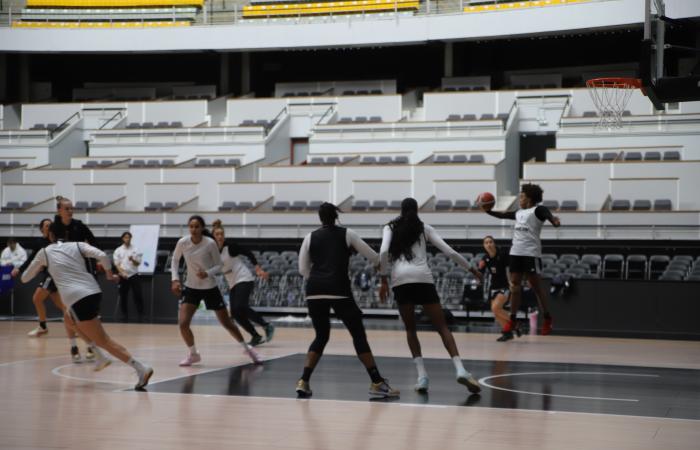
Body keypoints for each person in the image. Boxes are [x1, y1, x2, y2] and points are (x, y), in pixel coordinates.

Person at [20, 222, 153, 389]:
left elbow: (24, 278)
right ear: (66, 235)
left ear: (51, 236)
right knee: (68, 319)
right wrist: (109, 273)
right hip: (93, 292)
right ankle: (98, 355)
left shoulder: (45, 252)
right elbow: (103, 256)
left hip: (78, 299)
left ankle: (141, 368)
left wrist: (42, 266)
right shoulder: (78, 245)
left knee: (104, 340)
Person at [296, 202, 399, 399]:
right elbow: (374, 258)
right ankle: (377, 382)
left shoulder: (309, 237)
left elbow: (303, 270)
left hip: (314, 290)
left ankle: (303, 381)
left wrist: (318, 279)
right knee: (358, 335)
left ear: (320, 218)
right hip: (338, 289)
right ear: (336, 216)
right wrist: (384, 265)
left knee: (321, 336)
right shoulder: (347, 234)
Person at [379, 197, 481, 394]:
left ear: (401, 210)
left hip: (401, 280)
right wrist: (472, 270)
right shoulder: (424, 227)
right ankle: (460, 369)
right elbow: (449, 252)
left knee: (411, 329)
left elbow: (383, 252)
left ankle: (422, 376)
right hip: (423, 278)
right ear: (416, 210)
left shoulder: (389, 227)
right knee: (442, 326)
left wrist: (383, 280)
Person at [171, 215, 262, 367]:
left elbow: (219, 266)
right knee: (183, 323)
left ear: (202, 228)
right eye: (191, 226)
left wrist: (207, 273)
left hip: (209, 287)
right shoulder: (183, 242)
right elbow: (175, 260)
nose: (193, 229)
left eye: (197, 226)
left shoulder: (210, 243)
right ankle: (193, 354)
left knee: (227, 323)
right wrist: (174, 279)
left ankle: (249, 349)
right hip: (191, 287)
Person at [481, 183, 561, 335]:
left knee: (536, 288)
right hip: (515, 253)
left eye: (522, 196)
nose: (520, 198)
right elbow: (502, 215)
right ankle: (512, 319)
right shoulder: (519, 213)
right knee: (515, 287)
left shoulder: (538, 210)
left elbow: (549, 216)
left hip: (531, 254)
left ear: (530, 199)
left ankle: (547, 318)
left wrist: (554, 221)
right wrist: (488, 211)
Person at [211, 220, 275, 347]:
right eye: (217, 234)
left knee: (240, 306)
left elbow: (248, 252)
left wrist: (257, 268)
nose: (220, 237)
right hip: (233, 283)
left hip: (244, 278)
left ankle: (266, 325)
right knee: (235, 313)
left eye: (221, 234)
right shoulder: (212, 253)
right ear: (213, 237)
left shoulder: (230, 247)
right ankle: (255, 336)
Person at [476, 236, 518, 342]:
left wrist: (510, 282)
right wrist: (478, 278)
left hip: (505, 285)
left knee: (495, 308)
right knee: (495, 312)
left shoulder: (503, 254)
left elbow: (508, 269)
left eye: (490, 242)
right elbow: (481, 271)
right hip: (493, 286)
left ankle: (516, 323)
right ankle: (507, 333)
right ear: (484, 246)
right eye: (486, 243)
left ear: (494, 243)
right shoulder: (485, 258)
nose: (489, 244)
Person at [113, 231, 144, 322]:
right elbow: (117, 264)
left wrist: (133, 259)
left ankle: (141, 315)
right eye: (125, 237)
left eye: (129, 237)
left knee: (138, 295)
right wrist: (122, 273)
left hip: (134, 274)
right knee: (123, 296)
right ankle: (124, 315)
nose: (127, 239)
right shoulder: (118, 250)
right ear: (123, 239)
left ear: (131, 238)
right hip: (123, 275)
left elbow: (138, 263)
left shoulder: (136, 249)